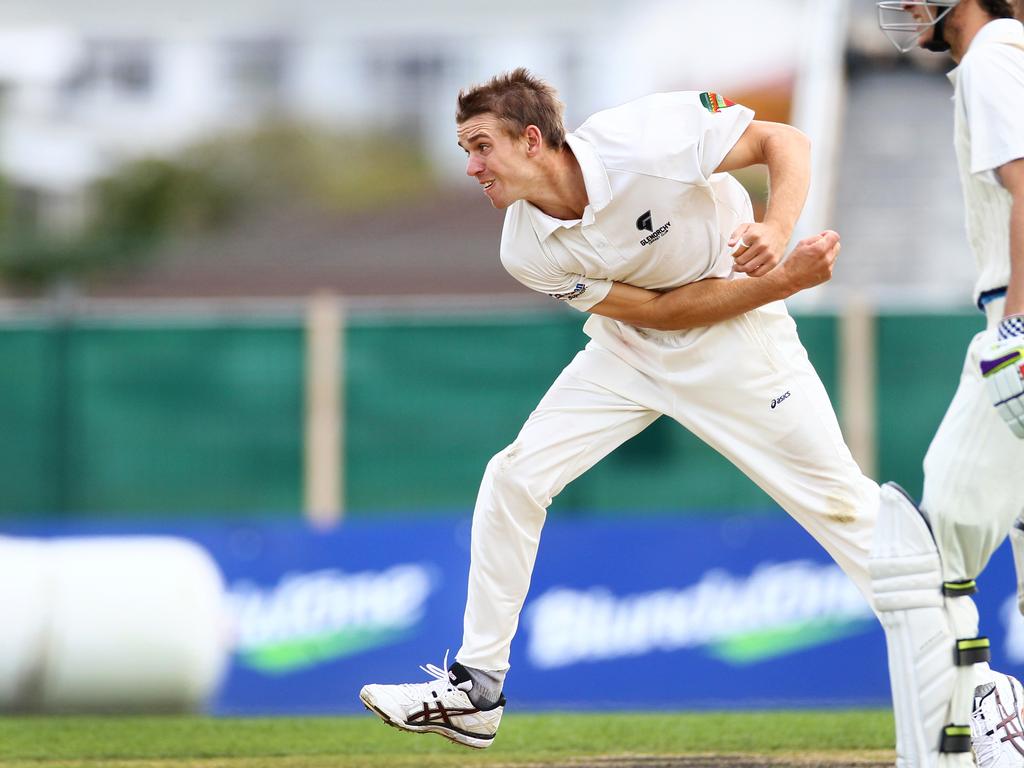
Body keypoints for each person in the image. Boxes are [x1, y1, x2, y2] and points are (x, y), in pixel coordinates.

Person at [358, 69, 964, 766]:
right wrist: (784, 279)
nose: (471, 167)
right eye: (465, 150)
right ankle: (477, 693)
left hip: (740, 338)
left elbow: (783, 139)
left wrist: (774, 231)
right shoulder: (524, 248)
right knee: (515, 477)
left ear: (532, 140)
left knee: (846, 511)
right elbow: (656, 315)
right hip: (633, 349)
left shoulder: (642, 137)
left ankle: (967, 689)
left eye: (481, 146)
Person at [878, 0, 1024, 765]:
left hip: (1020, 318)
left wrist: (1016, 327)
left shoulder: (995, 48)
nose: (904, 4)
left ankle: (948, 746)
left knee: (921, 554)